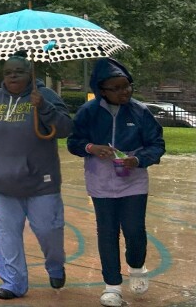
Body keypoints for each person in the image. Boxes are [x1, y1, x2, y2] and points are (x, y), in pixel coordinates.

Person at [0, 54, 74, 300]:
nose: (12, 76)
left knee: (48, 231)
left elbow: (65, 128)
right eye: (8, 72)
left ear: (30, 74)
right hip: (3, 183)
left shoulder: (47, 97)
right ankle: (13, 282)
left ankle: (55, 265)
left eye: (19, 71)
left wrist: (43, 107)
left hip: (41, 182)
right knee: (6, 235)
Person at [67, 59, 166, 307]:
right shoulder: (88, 112)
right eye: (117, 88)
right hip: (100, 182)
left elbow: (157, 145)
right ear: (102, 90)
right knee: (107, 233)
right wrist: (91, 147)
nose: (125, 92)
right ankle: (112, 286)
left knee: (134, 230)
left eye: (127, 86)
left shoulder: (140, 112)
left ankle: (136, 266)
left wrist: (138, 159)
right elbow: (74, 142)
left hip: (133, 181)